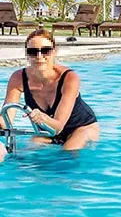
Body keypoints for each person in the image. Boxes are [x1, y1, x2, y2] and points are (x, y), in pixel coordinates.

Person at [0, 28, 99, 159]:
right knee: (28, 155)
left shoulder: (70, 78)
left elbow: (58, 126)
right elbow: (6, 121)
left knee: (68, 154)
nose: (39, 57)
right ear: (27, 55)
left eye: (45, 51)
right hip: (46, 130)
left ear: (54, 52)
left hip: (80, 127)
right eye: (33, 52)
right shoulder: (18, 78)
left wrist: (43, 118)